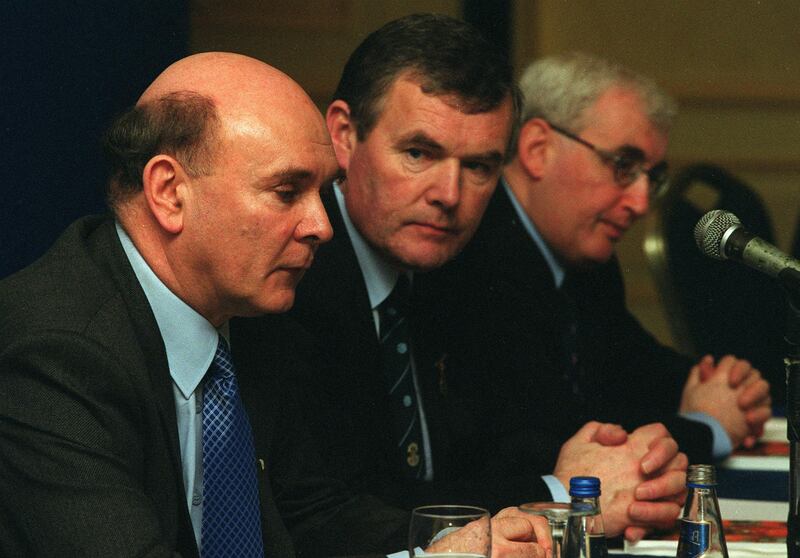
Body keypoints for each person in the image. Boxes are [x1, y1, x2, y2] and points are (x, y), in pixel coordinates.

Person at [0, 52, 548, 558]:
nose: (322, 226)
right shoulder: (53, 353)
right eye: (287, 192)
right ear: (169, 191)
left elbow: (312, 515)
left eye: (323, 190)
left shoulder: (247, 313)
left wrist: (451, 544)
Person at [265, 14, 687, 543]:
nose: (449, 194)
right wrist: (561, 498)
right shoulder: (290, 272)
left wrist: (615, 474)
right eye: (419, 153)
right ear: (344, 137)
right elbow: (329, 514)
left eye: (480, 167)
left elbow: (490, 451)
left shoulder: (458, 268)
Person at [433, 52, 773, 470]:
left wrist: (709, 383)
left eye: (652, 176)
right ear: (538, 148)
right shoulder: (475, 252)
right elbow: (551, 444)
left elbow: (624, 361)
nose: (642, 202)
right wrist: (709, 426)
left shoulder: (579, 249)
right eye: (623, 166)